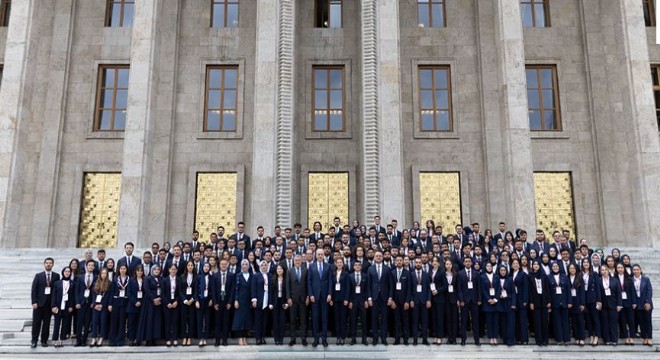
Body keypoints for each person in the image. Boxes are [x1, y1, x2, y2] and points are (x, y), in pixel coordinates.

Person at [31, 257, 59, 348]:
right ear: (44, 264)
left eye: (50, 263)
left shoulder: (56, 276)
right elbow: (34, 290)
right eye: (47, 263)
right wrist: (34, 302)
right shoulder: (38, 276)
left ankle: (44, 340)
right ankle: (34, 340)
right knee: (36, 323)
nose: (48, 264)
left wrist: (55, 304)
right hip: (39, 304)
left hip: (49, 304)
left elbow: (57, 290)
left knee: (46, 324)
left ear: (52, 264)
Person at [366, 250, 392, 346]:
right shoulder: (370, 269)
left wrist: (390, 297)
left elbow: (391, 285)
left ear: (382, 257)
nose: (378, 257)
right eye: (376, 256)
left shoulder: (387, 268)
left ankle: (384, 338)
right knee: (374, 318)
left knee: (384, 319)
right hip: (374, 298)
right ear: (374, 257)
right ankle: (375, 338)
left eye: (380, 256)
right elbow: (368, 285)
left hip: (384, 298)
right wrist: (369, 298)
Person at [308, 249, 331, 347]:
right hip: (315, 296)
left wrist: (330, 294)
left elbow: (330, 281)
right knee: (315, 318)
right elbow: (309, 282)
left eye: (322, 254)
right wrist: (311, 294)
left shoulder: (328, 266)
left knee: (324, 318)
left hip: (325, 296)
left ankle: (324, 339)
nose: (320, 256)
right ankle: (316, 339)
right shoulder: (311, 266)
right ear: (315, 255)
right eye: (319, 254)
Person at [286, 254, 309, 346]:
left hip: (303, 299)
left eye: (299, 260)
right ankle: (293, 339)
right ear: (293, 261)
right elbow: (287, 285)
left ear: (301, 261)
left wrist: (308, 296)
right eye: (296, 260)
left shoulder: (305, 270)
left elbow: (308, 284)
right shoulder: (289, 271)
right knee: (292, 320)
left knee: (303, 320)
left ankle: (303, 338)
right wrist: (288, 298)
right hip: (293, 299)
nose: (297, 262)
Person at [457, 257, 480, 346]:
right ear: (463, 263)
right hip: (464, 301)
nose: (467, 263)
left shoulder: (476, 273)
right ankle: (463, 340)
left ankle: (477, 340)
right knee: (463, 321)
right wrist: (461, 299)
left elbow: (479, 287)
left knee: (475, 321)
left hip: (474, 300)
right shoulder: (460, 273)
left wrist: (479, 299)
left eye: (469, 261)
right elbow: (459, 288)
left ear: (471, 263)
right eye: (466, 261)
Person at [597, 264, 622, 346]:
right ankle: (606, 340)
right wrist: (599, 301)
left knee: (613, 323)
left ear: (608, 271)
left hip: (613, 304)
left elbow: (619, 293)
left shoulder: (615, 280)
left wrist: (619, 304)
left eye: (605, 270)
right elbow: (598, 292)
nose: (604, 271)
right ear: (600, 272)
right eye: (602, 270)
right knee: (605, 323)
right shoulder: (599, 280)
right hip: (603, 305)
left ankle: (614, 339)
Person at [410, 257, 432, 346]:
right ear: (415, 264)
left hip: (424, 301)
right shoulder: (411, 274)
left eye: (420, 262)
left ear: (422, 264)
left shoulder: (426, 275)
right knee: (415, 321)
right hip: (414, 301)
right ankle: (415, 339)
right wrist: (411, 300)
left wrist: (429, 300)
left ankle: (424, 339)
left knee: (424, 321)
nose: (418, 264)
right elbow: (410, 289)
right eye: (417, 262)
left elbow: (429, 289)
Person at [548, 262, 571, 345]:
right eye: (553, 266)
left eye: (556, 266)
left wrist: (569, 302)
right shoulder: (548, 277)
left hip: (564, 301)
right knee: (557, 322)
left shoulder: (564, 277)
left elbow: (568, 290)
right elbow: (548, 292)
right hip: (554, 302)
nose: (555, 267)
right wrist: (549, 302)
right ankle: (559, 339)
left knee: (565, 321)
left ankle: (566, 339)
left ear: (559, 267)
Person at [390, 254, 411, 345]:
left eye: (400, 260)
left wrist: (407, 301)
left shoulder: (407, 273)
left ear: (403, 262)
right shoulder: (392, 273)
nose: (399, 262)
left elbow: (409, 288)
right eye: (397, 260)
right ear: (395, 262)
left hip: (404, 301)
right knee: (396, 321)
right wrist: (392, 301)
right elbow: (390, 288)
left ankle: (405, 339)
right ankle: (397, 339)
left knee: (405, 321)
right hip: (395, 301)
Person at [51, 266, 74, 348]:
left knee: (65, 324)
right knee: (57, 324)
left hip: (67, 306)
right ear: (63, 272)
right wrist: (53, 306)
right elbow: (53, 295)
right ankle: (56, 340)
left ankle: (61, 339)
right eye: (66, 271)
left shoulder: (72, 283)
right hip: (58, 305)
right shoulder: (57, 283)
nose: (67, 273)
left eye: (68, 271)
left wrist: (71, 306)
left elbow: (72, 296)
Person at [75, 260, 96, 347]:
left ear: (94, 267)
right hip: (81, 303)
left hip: (90, 303)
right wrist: (77, 302)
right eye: (89, 265)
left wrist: (93, 302)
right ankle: (78, 340)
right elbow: (77, 291)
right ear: (86, 267)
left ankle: (84, 340)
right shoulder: (80, 277)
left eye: (92, 265)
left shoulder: (96, 277)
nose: (91, 267)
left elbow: (97, 291)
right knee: (79, 323)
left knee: (87, 323)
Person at [213, 259, 234, 346]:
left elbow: (233, 290)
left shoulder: (231, 275)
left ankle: (224, 339)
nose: (224, 265)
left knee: (225, 321)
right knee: (217, 322)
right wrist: (214, 302)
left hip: (227, 302)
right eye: (222, 264)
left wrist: (230, 302)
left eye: (225, 264)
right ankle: (217, 340)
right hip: (218, 301)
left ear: (228, 265)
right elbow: (213, 290)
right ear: (219, 265)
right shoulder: (215, 275)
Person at [529, 260, 550, 346]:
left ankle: (545, 340)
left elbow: (547, 289)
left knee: (544, 321)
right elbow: (529, 290)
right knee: (537, 322)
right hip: (535, 301)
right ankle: (539, 340)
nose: (536, 265)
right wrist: (531, 302)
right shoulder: (529, 276)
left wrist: (549, 301)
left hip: (544, 300)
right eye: (534, 264)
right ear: (532, 266)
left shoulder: (544, 276)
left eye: (538, 264)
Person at [233, 259, 254, 346]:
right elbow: (236, 288)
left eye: (246, 264)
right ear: (241, 266)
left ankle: (245, 337)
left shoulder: (252, 276)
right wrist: (236, 300)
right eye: (243, 264)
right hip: (240, 300)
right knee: (240, 320)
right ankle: (240, 338)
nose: (245, 266)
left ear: (248, 266)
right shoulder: (238, 275)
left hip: (248, 300)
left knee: (247, 320)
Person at [631, 264, 653, 346]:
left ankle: (649, 338)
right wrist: (634, 302)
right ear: (632, 271)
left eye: (637, 269)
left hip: (646, 303)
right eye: (634, 270)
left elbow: (649, 291)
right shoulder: (631, 280)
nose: (636, 271)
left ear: (640, 270)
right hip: (637, 304)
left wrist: (647, 302)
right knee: (641, 322)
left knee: (647, 321)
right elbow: (632, 293)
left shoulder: (646, 279)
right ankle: (644, 338)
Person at [329, 258, 349, 345]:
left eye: (341, 262)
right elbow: (331, 287)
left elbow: (348, 288)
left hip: (343, 299)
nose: (339, 264)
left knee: (343, 319)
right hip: (335, 299)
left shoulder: (346, 274)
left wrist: (346, 299)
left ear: (343, 264)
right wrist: (331, 299)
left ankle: (343, 337)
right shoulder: (333, 274)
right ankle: (338, 337)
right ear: (335, 264)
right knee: (336, 319)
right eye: (338, 262)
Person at [581, 258, 601, 346]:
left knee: (595, 318)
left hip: (593, 299)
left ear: (590, 264)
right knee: (588, 319)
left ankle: (596, 336)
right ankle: (591, 335)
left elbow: (598, 288)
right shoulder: (580, 274)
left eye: (587, 262)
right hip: (584, 299)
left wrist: (599, 300)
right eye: (584, 262)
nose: (585, 264)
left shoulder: (594, 274)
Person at [348, 260, 368, 345]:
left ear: (361, 267)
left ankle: (364, 339)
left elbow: (367, 289)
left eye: (358, 265)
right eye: (355, 265)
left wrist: (366, 300)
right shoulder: (350, 276)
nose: (357, 266)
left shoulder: (365, 276)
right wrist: (349, 301)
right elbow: (348, 290)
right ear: (353, 267)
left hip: (362, 301)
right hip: (353, 301)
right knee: (353, 320)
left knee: (364, 320)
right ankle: (353, 339)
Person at [109, 264, 130, 346]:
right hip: (116, 302)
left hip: (125, 302)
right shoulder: (115, 279)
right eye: (121, 268)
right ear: (119, 270)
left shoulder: (129, 279)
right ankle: (113, 340)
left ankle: (120, 340)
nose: (122, 270)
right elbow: (111, 292)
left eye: (124, 269)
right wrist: (110, 304)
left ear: (126, 270)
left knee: (122, 321)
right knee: (114, 321)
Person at [142, 265, 163, 346]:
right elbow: (146, 289)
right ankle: (148, 339)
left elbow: (163, 290)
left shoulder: (161, 279)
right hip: (149, 302)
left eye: (158, 269)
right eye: (155, 269)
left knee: (156, 321)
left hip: (159, 302)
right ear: (152, 270)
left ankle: (155, 338)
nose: (157, 271)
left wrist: (159, 298)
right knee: (149, 320)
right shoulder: (148, 278)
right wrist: (153, 299)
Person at [252, 260, 272, 345]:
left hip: (267, 299)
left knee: (265, 320)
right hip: (259, 299)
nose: (264, 266)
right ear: (260, 267)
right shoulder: (256, 276)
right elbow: (253, 288)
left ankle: (263, 337)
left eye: (265, 265)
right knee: (258, 320)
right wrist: (254, 299)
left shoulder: (270, 276)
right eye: (262, 265)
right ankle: (257, 338)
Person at [90, 268, 111, 347]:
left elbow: (108, 296)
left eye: (105, 273)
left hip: (104, 306)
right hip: (96, 306)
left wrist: (102, 304)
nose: (104, 275)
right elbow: (94, 295)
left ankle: (101, 337)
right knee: (94, 321)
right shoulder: (96, 282)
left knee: (103, 321)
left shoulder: (109, 283)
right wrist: (95, 304)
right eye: (102, 273)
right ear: (100, 274)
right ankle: (94, 337)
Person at [481, 262, 500, 345]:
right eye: (487, 266)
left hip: (495, 301)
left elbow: (499, 288)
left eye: (490, 266)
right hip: (487, 301)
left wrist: (495, 299)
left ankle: (495, 337)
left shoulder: (496, 276)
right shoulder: (482, 277)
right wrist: (488, 299)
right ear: (485, 267)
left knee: (495, 320)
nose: (489, 267)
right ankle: (490, 337)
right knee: (489, 321)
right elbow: (483, 290)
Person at [497, 265, 516, 346]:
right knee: (503, 323)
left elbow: (513, 292)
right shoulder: (496, 279)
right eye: (501, 270)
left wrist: (513, 304)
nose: (503, 272)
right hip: (501, 304)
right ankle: (505, 339)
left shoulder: (510, 279)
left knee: (510, 323)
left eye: (504, 270)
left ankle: (511, 340)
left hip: (509, 303)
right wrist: (499, 296)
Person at [510, 259, 529, 345]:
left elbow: (526, 287)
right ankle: (517, 338)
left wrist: (525, 300)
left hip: (521, 299)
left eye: (517, 263)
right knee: (516, 320)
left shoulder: (523, 274)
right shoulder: (510, 275)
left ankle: (524, 339)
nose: (515, 265)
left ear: (519, 265)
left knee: (523, 320)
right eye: (514, 263)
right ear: (511, 265)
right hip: (513, 300)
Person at [615, 263, 634, 345]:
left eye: (621, 267)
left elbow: (633, 291)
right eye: (618, 268)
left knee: (631, 320)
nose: (620, 269)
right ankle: (626, 337)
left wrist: (634, 302)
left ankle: (632, 337)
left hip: (629, 302)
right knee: (622, 320)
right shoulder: (614, 279)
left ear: (624, 268)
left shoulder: (629, 278)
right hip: (620, 302)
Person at [429, 256, 447, 345]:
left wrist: (438, 291)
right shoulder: (430, 272)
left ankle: (440, 337)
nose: (434, 262)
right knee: (434, 318)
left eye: (436, 261)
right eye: (433, 261)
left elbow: (445, 286)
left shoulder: (442, 272)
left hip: (440, 298)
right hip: (432, 298)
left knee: (440, 318)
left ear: (439, 263)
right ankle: (435, 336)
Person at [126, 264, 145, 346]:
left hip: (141, 305)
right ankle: (131, 339)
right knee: (131, 323)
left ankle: (138, 339)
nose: (139, 272)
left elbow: (145, 292)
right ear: (135, 271)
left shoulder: (145, 280)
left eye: (141, 271)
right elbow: (129, 293)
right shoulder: (131, 280)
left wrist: (141, 301)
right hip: (132, 305)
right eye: (138, 271)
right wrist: (135, 302)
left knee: (139, 323)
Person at [567, 263, 586, 346]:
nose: (572, 270)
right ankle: (577, 337)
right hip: (571, 301)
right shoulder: (566, 278)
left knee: (580, 321)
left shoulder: (580, 278)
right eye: (570, 268)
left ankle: (582, 338)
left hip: (579, 301)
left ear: (576, 269)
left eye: (573, 268)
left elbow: (582, 292)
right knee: (574, 321)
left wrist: (582, 303)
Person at [180, 261, 197, 346]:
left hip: (192, 301)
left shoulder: (196, 277)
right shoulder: (182, 277)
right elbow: (179, 290)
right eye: (189, 265)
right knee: (183, 320)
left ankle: (189, 337)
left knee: (191, 320)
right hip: (184, 302)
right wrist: (185, 300)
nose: (190, 267)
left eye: (191, 265)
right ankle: (184, 337)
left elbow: (197, 290)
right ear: (186, 267)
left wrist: (192, 299)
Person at [163, 264, 180, 347]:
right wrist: (167, 303)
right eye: (172, 269)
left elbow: (180, 292)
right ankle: (168, 339)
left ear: (176, 270)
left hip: (176, 303)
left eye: (175, 269)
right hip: (167, 303)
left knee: (175, 321)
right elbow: (163, 293)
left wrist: (177, 301)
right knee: (168, 322)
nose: (173, 271)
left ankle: (175, 338)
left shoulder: (178, 279)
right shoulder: (165, 280)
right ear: (169, 270)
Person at [196, 262, 213, 346]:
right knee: (199, 320)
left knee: (207, 319)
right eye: (205, 266)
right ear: (202, 267)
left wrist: (212, 299)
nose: (206, 268)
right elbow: (195, 290)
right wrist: (196, 301)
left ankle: (205, 338)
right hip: (200, 300)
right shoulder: (199, 277)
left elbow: (213, 290)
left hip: (207, 300)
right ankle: (200, 338)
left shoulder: (211, 277)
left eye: (207, 266)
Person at [271, 264, 288, 345]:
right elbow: (270, 292)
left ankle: (281, 339)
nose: (279, 270)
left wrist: (287, 302)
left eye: (281, 269)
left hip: (283, 302)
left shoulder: (286, 279)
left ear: (283, 270)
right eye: (278, 269)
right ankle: (276, 339)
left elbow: (288, 291)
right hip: (275, 302)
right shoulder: (273, 279)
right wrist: (270, 303)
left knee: (281, 321)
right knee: (275, 321)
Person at [443, 259, 459, 345]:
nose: (448, 265)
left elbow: (458, 288)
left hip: (454, 299)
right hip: (446, 299)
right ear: (445, 265)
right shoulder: (442, 275)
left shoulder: (456, 275)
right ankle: (449, 338)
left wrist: (458, 299)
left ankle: (454, 338)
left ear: (452, 265)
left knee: (454, 320)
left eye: (450, 264)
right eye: (447, 264)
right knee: (448, 319)